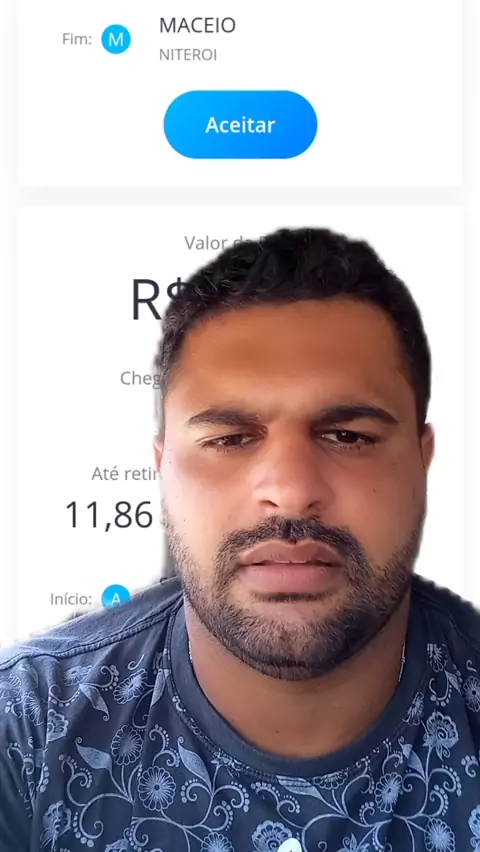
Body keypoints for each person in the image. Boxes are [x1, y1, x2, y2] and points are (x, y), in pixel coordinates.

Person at [0, 227, 479, 852]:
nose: (291, 491)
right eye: (229, 439)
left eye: (349, 436)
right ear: (163, 470)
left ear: (422, 462)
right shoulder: (26, 727)